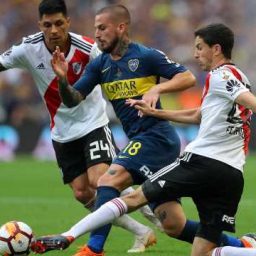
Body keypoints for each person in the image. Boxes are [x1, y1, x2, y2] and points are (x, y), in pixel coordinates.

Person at [29, 5, 256, 256]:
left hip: (156, 138)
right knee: (173, 224)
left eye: (102, 28)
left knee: (108, 180)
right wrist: (62, 79)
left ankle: (93, 248)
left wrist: (157, 89)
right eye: (95, 29)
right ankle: (242, 246)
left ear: (121, 27)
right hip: (170, 147)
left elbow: (187, 78)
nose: (97, 34)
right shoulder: (100, 65)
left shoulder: (147, 56)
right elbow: (73, 99)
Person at [0, 0, 162, 254]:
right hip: (62, 132)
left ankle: (151, 212)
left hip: (93, 123)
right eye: (47, 25)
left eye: (58, 24)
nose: (53, 30)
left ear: (68, 22)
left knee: (101, 181)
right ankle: (141, 232)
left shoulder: (88, 48)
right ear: (39, 25)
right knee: (81, 193)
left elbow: (118, 68)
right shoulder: (27, 49)